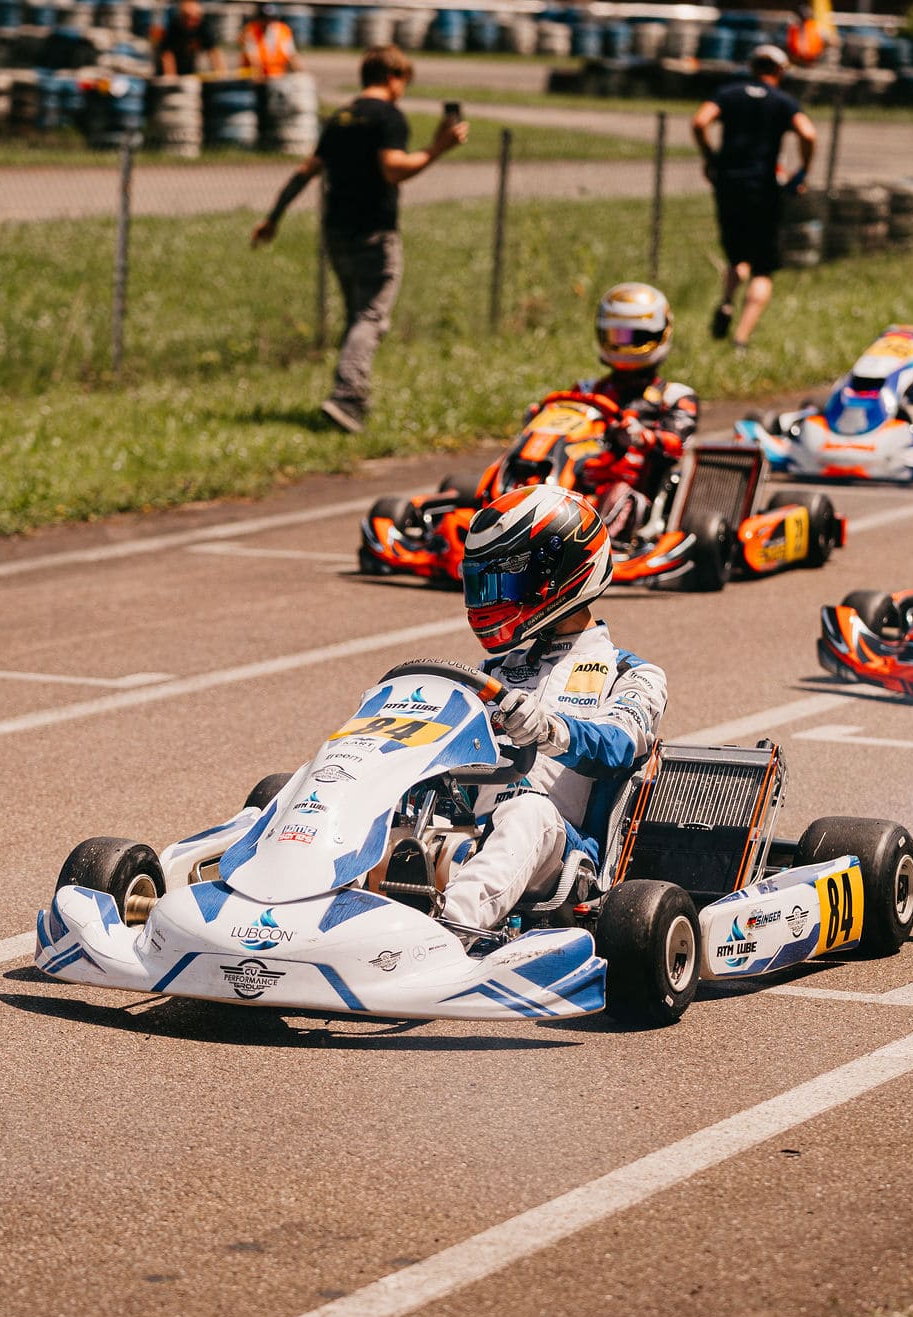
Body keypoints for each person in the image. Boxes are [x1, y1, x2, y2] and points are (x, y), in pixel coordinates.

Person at [442, 485, 668, 939]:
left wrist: (550, 730)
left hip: (564, 857)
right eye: (481, 584)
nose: (488, 599)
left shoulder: (631, 674)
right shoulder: (490, 674)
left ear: (555, 576)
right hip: (470, 836)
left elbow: (618, 746)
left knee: (526, 812)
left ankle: (448, 932)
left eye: (502, 584)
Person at [249, 46, 468, 432]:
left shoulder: (342, 117)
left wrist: (273, 218)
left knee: (357, 317)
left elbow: (306, 171)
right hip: (374, 232)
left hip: (336, 232)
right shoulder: (388, 117)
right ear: (393, 78)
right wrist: (438, 147)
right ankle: (347, 397)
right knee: (370, 317)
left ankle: (354, 399)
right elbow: (393, 170)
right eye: (404, 82)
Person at [691, 45, 819, 350]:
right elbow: (808, 134)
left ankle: (726, 300)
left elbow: (700, 122)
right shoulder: (783, 102)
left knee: (737, 258)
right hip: (764, 189)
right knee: (762, 268)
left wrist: (710, 157)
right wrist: (802, 171)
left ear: (751, 67)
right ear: (781, 71)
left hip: (728, 184)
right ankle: (741, 339)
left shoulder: (728, 93)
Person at [562, 283, 699, 543]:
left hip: (635, 491)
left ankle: (593, 544)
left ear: (659, 334)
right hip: (577, 481)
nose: (624, 344)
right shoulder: (586, 390)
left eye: (635, 337)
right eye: (617, 336)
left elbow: (676, 445)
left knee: (619, 494)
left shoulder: (675, 396)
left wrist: (643, 437)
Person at [153, 0, 222, 78]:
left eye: (196, 19)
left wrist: (220, 75)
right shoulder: (173, 28)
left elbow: (213, 51)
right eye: (188, 18)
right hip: (166, 72)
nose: (191, 22)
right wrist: (171, 78)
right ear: (181, 17)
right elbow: (167, 55)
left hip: (189, 70)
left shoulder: (202, 26)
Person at [240, 3, 296, 79]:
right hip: (253, 77)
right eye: (264, 18)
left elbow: (291, 56)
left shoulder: (283, 30)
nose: (267, 21)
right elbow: (253, 60)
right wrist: (261, 78)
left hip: (277, 76)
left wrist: (300, 74)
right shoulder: (251, 30)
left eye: (271, 18)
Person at [784, 0, 834, 67]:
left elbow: (831, 42)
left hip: (815, 62)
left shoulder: (817, 28)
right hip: (798, 61)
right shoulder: (793, 28)